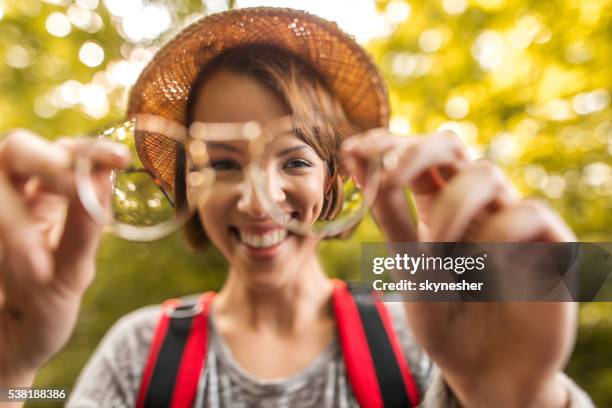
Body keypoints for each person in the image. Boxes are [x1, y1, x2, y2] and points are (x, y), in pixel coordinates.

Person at [0, 7, 595, 408]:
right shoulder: (138, 353)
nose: (260, 200)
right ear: (190, 188)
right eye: (224, 163)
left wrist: (514, 396)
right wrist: (10, 372)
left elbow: (585, 276)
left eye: (294, 160)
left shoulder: (418, 329)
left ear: (337, 179)